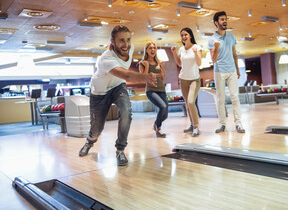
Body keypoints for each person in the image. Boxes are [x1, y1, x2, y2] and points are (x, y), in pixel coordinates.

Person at [78, 25, 157, 166]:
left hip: (118, 86)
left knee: (126, 110)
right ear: (113, 41)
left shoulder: (130, 48)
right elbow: (125, 74)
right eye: (121, 40)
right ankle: (89, 142)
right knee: (97, 130)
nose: (126, 45)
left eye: (128, 40)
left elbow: (123, 76)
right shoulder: (105, 59)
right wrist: (145, 77)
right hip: (99, 92)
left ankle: (120, 150)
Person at [208, 11, 245, 133]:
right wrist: (216, 47)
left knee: (235, 97)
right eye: (222, 19)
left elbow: (234, 53)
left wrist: (238, 69)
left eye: (225, 19)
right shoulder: (212, 39)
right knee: (220, 98)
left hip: (232, 71)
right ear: (216, 22)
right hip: (219, 72)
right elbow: (213, 60)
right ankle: (222, 124)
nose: (225, 21)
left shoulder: (231, 37)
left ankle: (238, 123)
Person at [171, 27, 202, 137]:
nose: (183, 37)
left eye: (185, 34)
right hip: (183, 79)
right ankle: (192, 124)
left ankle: (196, 127)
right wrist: (174, 53)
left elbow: (199, 63)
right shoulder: (181, 49)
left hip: (194, 79)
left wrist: (196, 53)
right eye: (182, 35)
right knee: (187, 104)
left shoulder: (197, 47)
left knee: (190, 102)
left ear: (190, 35)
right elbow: (179, 64)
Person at [139, 42, 168, 138]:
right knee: (162, 107)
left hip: (162, 89)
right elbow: (143, 79)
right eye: (150, 48)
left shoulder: (159, 62)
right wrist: (147, 66)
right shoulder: (143, 63)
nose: (153, 50)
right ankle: (158, 129)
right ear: (146, 50)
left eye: (154, 48)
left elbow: (163, 78)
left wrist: (162, 67)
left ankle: (155, 124)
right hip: (151, 90)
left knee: (165, 115)